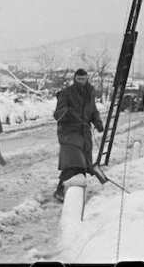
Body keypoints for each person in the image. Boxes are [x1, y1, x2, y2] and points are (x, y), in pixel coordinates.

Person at [53, 68, 104, 202]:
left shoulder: (90, 94)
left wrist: (97, 122)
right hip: (69, 133)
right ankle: (60, 189)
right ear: (74, 79)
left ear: (87, 78)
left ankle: (75, 192)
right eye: (79, 79)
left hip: (84, 134)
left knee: (81, 166)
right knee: (74, 163)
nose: (81, 81)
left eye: (83, 78)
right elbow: (57, 114)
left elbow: (93, 111)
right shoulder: (66, 93)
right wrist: (67, 112)